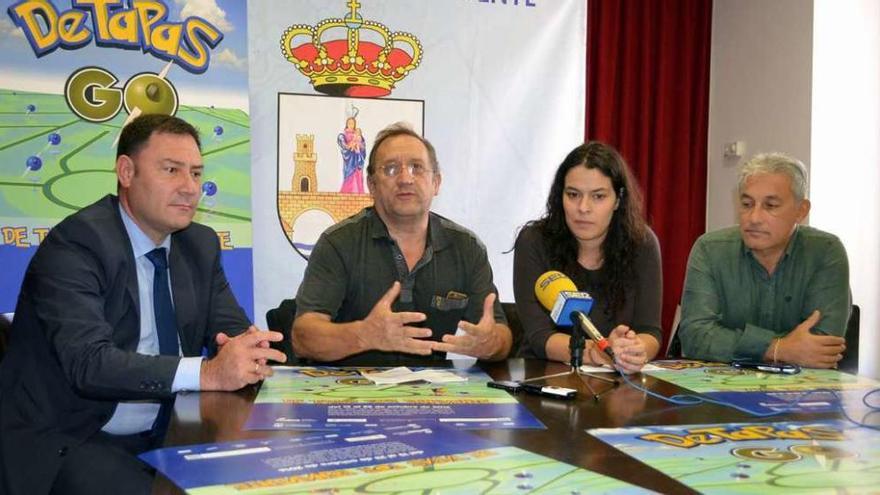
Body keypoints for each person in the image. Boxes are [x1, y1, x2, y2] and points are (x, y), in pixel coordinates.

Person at [0, 114, 287, 495]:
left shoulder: (199, 245)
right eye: (172, 170)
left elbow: (229, 331)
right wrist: (208, 374)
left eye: (197, 174)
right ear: (126, 172)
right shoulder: (76, 244)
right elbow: (89, 364)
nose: (190, 188)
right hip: (74, 435)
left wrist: (250, 348)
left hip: (169, 428)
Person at [292, 122, 512, 365]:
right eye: (391, 169)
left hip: (436, 394)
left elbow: (500, 333)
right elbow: (304, 337)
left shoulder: (466, 247)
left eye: (417, 167)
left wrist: (491, 343)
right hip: (352, 394)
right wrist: (364, 335)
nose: (405, 178)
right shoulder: (338, 243)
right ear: (372, 186)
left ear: (436, 183)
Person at [678, 152, 850, 368]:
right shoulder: (710, 250)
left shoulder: (825, 252)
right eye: (747, 204)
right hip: (721, 390)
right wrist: (779, 349)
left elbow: (822, 346)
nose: (754, 218)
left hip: (801, 391)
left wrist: (732, 343)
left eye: (770, 206)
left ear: (801, 211)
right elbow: (695, 337)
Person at [513, 142, 662, 374]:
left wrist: (633, 350)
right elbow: (539, 337)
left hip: (617, 382)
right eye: (573, 195)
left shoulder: (642, 244)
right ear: (559, 195)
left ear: (618, 200)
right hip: (543, 377)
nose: (583, 208)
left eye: (598, 196)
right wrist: (596, 351)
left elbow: (650, 331)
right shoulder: (534, 241)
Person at [338, 116, 367, 194]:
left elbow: (363, 147)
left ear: (355, 124)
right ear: (347, 124)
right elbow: (344, 145)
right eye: (349, 123)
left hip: (357, 159)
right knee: (349, 176)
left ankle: (358, 192)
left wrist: (358, 145)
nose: (351, 124)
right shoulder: (343, 135)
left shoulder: (358, 134)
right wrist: (350, 145)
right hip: (349, 160)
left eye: (352, 123)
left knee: (358, 175)